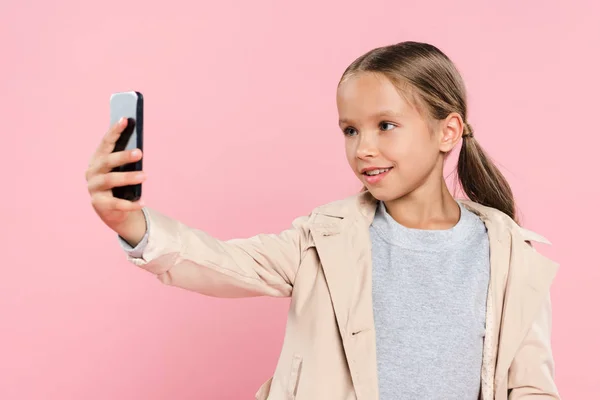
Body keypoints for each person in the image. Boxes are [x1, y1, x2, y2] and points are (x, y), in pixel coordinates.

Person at [85, 41, 560, 400]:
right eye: (350, 130)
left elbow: (531, 384)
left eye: (385, 125)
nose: (363, 149)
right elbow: (222, 262)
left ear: (448, 131)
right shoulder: (324, 237)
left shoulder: (510, 253)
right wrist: (131, 223)